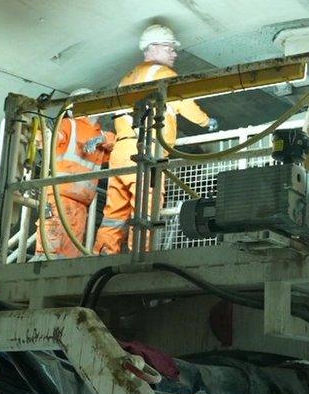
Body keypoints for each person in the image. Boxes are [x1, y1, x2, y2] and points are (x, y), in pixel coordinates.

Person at [93, 24, 219, 254]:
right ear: (152, 47)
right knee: (146, 209)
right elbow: (183, 102)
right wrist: (206, 122)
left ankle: (102, 255)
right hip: (146, 151)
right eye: (169, 48)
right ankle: (140, 257)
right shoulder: (162, 74)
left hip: (121, 152)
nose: (174, 53)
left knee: (114, 212)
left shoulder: (127, 78)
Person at [35, 88, 114, 259]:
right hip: (59, 201)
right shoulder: (68, 125)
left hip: (80, 206)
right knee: (50, 254)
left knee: (68, 258)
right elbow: (49, 138)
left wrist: (103, 139)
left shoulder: (100, 136)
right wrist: (39, 136)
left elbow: (120, 145)